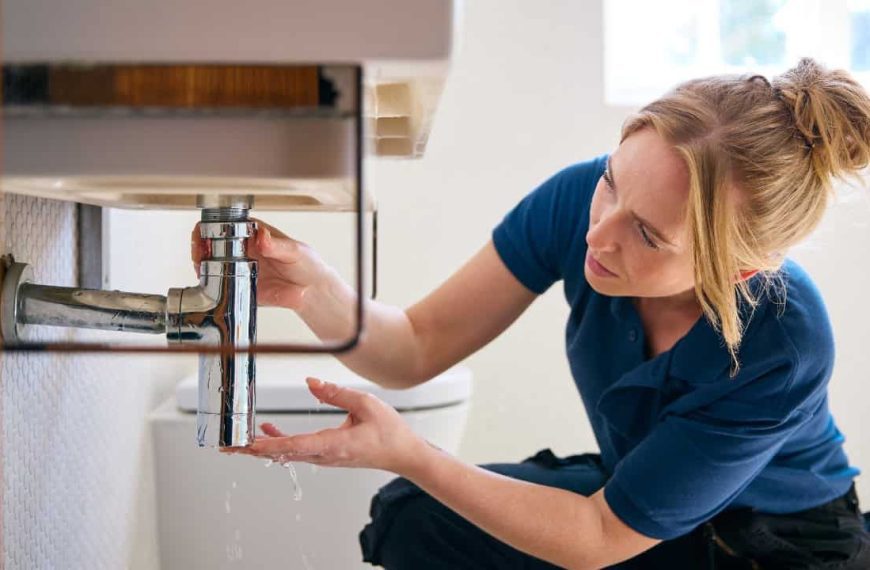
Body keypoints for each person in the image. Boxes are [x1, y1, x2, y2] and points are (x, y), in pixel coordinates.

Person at [203, 57, 870, 568]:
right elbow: (415, 345)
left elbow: (601, 536)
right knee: (412, 517)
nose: (599, 234)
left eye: (647, 235)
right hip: (640, 493)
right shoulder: (581, 198)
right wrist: (313, 288)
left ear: (737, 270)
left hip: (772, 543)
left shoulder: (784, 339)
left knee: (431, 487)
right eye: (612, 181)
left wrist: (410, 452)